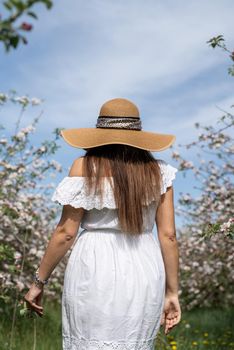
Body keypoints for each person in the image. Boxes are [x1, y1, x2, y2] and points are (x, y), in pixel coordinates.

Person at [24, 97, 181, 349]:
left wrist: (38, 283)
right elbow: (168, 235)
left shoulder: (83, 166)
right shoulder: (159, 173)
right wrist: (172, 292)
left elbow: (66, 232)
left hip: (94, 265)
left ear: (99, 133)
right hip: (144, 265)